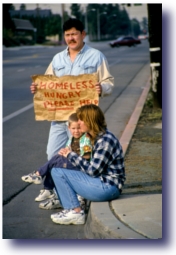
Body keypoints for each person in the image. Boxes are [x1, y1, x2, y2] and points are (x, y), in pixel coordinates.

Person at [30, 18, 114, 161]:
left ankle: (78, 182)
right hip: (60, 118)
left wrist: (101, 88)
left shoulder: (96, 56)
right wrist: (38, 88)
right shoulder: (57, 59)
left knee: (81, 155)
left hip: (83, 120)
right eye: (68, 35)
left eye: (74, 34)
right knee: (53, 154)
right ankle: (59, 182)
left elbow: (108, 82)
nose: (71, 38)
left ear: (83, 34)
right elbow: (48, 82)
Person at [49, 104, 126, 225]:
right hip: (102, 183)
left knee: (58, 172)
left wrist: (71, 155)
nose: (78, 122)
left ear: (90, 121)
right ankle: (72, 208)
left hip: (108, 187)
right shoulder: (96, 136)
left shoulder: (105, 140)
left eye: (81, 119)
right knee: (58, 169)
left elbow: (93, 171)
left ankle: (75, 211)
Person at [21, 113, 92, 209]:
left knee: (56, 161)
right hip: (59, 116)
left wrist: (70, 155)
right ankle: (54, 192)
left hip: (79, 164)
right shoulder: (71, 139)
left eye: (78, 128)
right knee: (55, 158)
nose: (76, 131)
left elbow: (87, 155)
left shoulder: (85, 139)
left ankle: (39, 176)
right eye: (73, 129)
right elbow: (68, 149)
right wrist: (65, 152)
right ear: (69, 128)